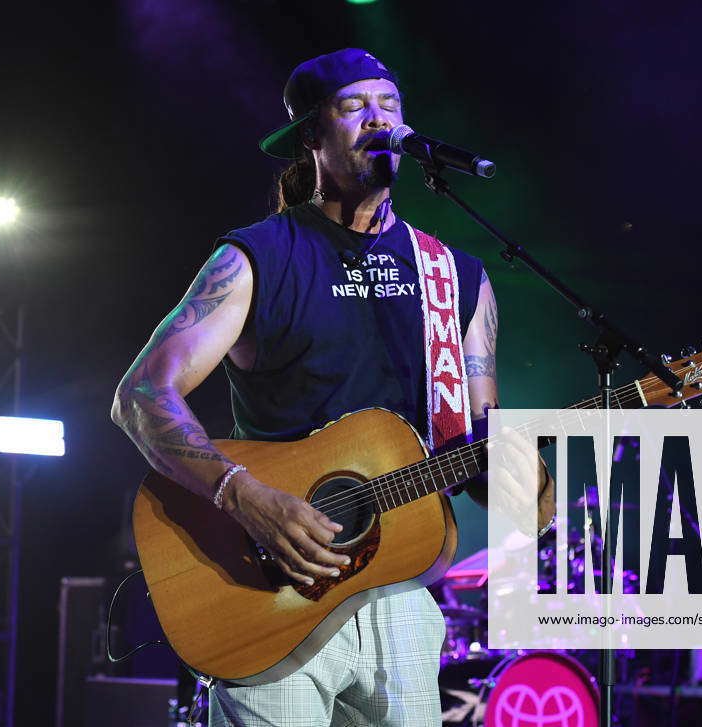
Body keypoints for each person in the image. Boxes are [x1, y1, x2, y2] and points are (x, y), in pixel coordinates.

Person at [112, 48, 552, 727]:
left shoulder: (456, 277)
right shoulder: (257, 256)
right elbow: (142, 394)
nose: (379, 118)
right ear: (313, 137)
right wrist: (245, 495)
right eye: (354, 107)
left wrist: (527, 480)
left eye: (390, 105)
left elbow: (478, 447)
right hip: (270, 597)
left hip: (403, 596)